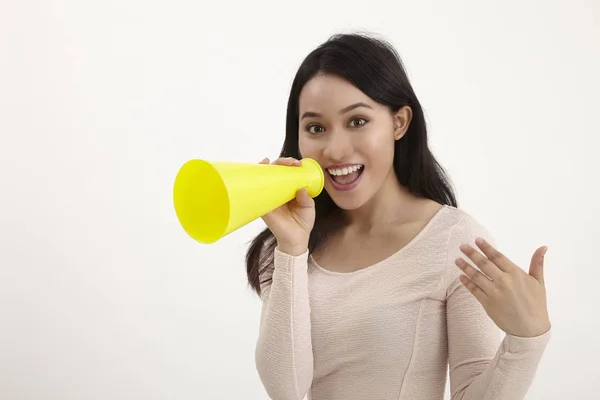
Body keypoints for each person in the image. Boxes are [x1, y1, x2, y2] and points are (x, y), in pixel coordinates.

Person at [245, 32, 551, 400]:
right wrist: (291, 248)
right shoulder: (285, 247)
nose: (335, 149)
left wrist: (526, 342)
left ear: (399, 122)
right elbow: (287, 391)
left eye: (357, 121)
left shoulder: (453, 241)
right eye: (315, 128)